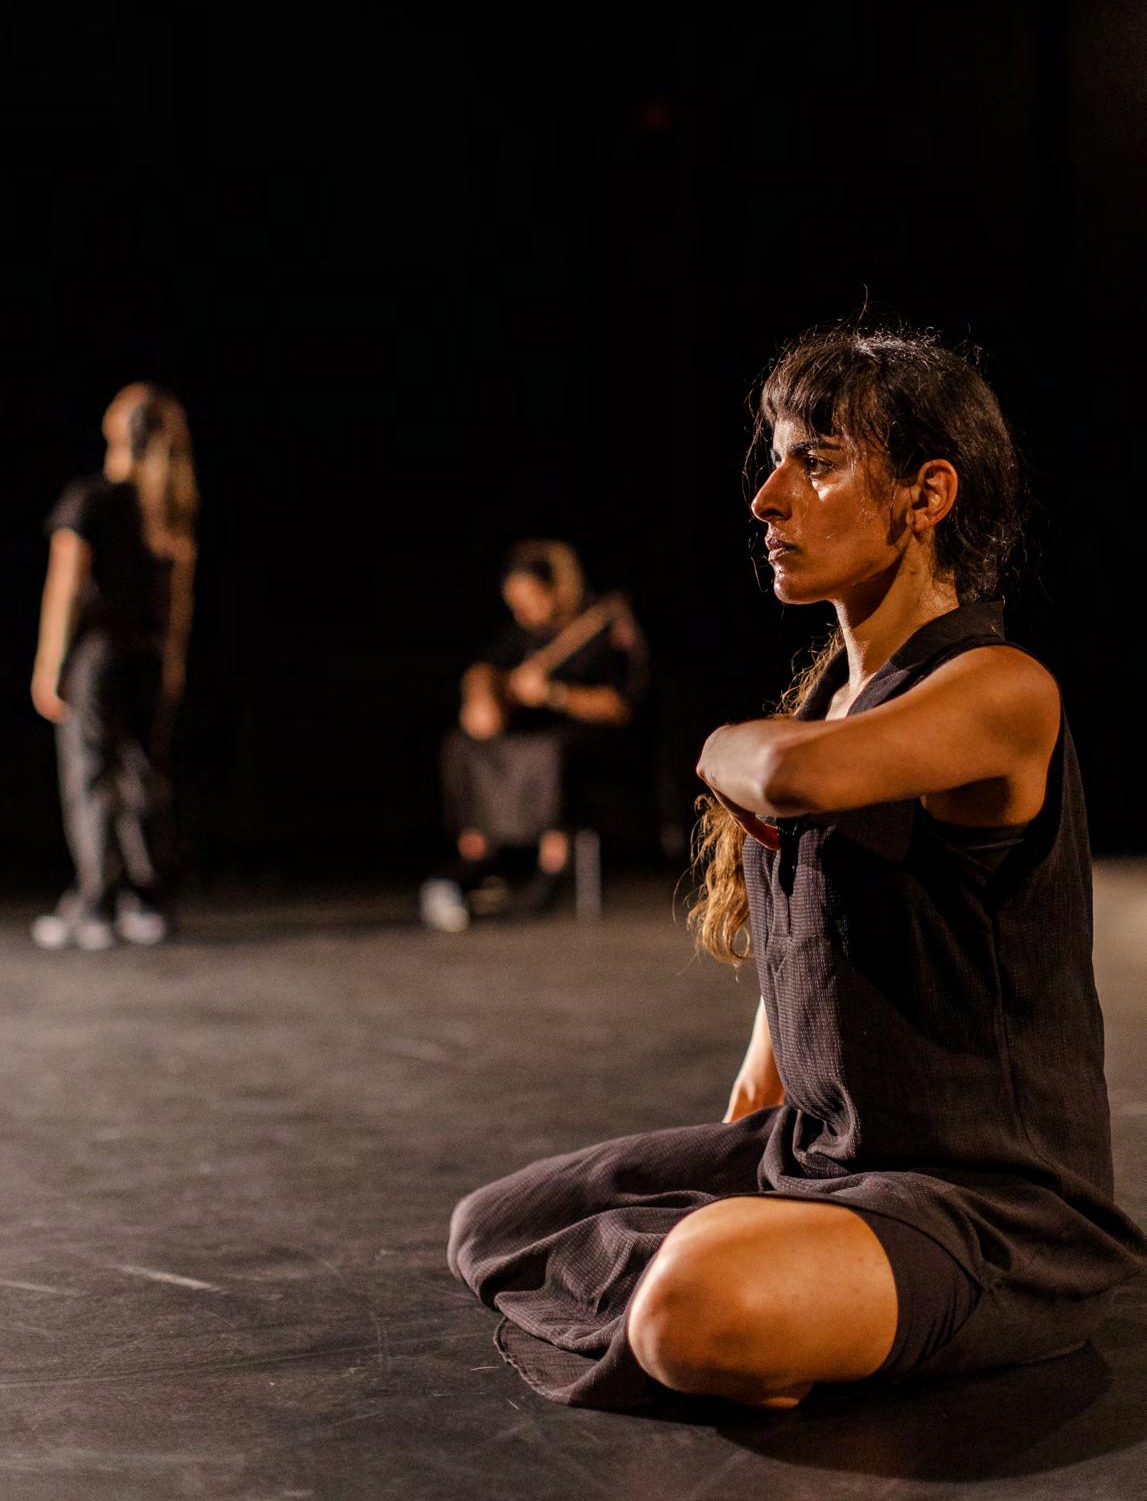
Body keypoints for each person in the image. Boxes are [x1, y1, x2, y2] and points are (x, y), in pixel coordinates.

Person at [447, 325, 1145, 1411]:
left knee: (689, 1301)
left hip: (983, 1209)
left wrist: (717, 747)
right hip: (822, 1155)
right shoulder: (833, 707)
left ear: (927, 495)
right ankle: (773, 1291)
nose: (767, 499)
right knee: (492, 1224)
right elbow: (804, 962)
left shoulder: (1001, 690)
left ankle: (754, 1307)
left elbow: (780, 776)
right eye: (774, 462)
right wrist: (747, 1122)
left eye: (814, 463)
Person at [31, 383, 198, 950]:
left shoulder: (91, 498)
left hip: (99, 658)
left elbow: (65, 588)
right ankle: (146, 900)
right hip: (148, 655)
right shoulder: (167, 506)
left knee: (92, 773)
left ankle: (96, 902)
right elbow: (179, 600)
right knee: (144, 774)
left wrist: (49, 662)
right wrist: (172, 663)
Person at [420, 540, 648, 932]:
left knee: (548, 754)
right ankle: (477, 856)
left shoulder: (602, 625)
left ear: (557, 589)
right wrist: (480, 699)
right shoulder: (526, 631)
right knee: (466, 744)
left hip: (591, 740)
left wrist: (554, 695)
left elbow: (620, 706)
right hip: (535, 737)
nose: (522, 611)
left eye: (530, 599)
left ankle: (552, 866)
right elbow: (484, 668)